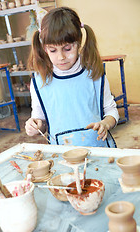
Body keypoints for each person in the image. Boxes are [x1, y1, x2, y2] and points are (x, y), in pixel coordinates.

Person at [25, 6, 119, 147]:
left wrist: (106, 123)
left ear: (78, 42)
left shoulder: (94, 74)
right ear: (45, 48)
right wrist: (35, 125)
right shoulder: (40, 82)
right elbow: (41, 120)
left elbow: (111, 110)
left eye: (67, 48)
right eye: (53, 50)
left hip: (98, 149)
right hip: (63, 154)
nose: (61, 57)